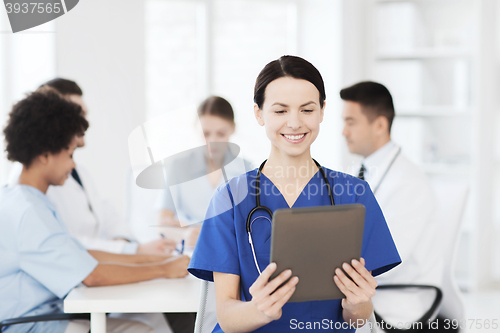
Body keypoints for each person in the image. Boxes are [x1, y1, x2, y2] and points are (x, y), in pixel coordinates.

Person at [188, 56, 402, 332]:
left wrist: (357, 305)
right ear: (258, 114)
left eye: (307, 110)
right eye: (280, 111)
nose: (294, 123)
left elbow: (360, 319)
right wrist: (258, 309)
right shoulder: (230, 198)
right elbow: (226, 316)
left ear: (322, 111)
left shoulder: (354, 194)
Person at [0, 88, 190, 333]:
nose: (73, 163)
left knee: (142, 322)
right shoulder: (29, 213)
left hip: (46, 314)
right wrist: (164, 269)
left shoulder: (27, 201)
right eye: (69, 154)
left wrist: (158, 259)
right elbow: (92, 275)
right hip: (31, 325)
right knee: (141, 329)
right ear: (45, 155)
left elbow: (85, 254)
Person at [8, 78, 176, 255]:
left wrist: (123, 243)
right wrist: (132, 251)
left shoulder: (78, 171)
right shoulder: (31, 184)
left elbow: (106, 212)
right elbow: (64, 243)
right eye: (76, 114)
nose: (83, 124)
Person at [340, 81, 442, 328]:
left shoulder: (409, 182)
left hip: (397, 298)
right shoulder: (361, 171)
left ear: (380, 125)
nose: (343, 131)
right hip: (368, 289)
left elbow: (387, 260)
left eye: (351, 122)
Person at [158, 95, 252, 247]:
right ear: (196, 128)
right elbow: (163, 224)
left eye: (220, 134)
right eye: (206, 133)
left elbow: (252, 224)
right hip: (189, 250)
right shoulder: (177, 167)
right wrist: (184, 235)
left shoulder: (247, 170)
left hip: (230, 249)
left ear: (233, 129)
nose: (213, 141)